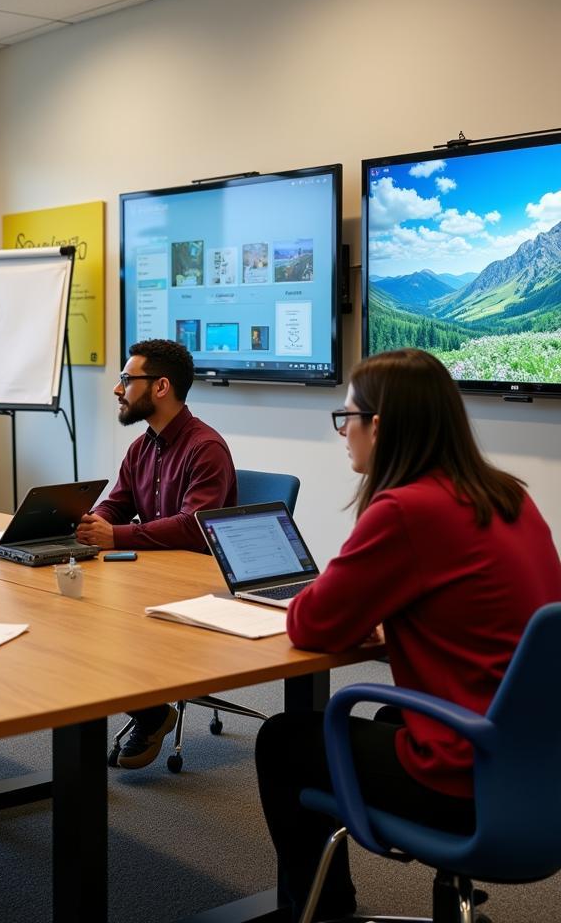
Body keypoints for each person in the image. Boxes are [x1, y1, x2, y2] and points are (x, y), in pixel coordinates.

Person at [254, 348, 561, 922]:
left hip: (466, 773)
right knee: (383, 722)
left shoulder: (408, 509)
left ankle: (323, 913)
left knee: (285, 740)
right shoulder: (509, 494)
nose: (343, 433)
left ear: (381, 426)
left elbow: (312, 623)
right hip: (537, 760)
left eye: (348, 418)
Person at [76, 338, 237, 769]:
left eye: (127, 380)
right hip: (146, 577)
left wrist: (118, 537)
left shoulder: (206, 448)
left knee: (95, 626)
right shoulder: (142, 446)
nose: (117, 388)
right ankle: (151, 710)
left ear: (161, 387)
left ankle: (151, 713)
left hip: (195, 586)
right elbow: (118, 503)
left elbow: (192, 525)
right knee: (73, 618)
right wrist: (89, 522)